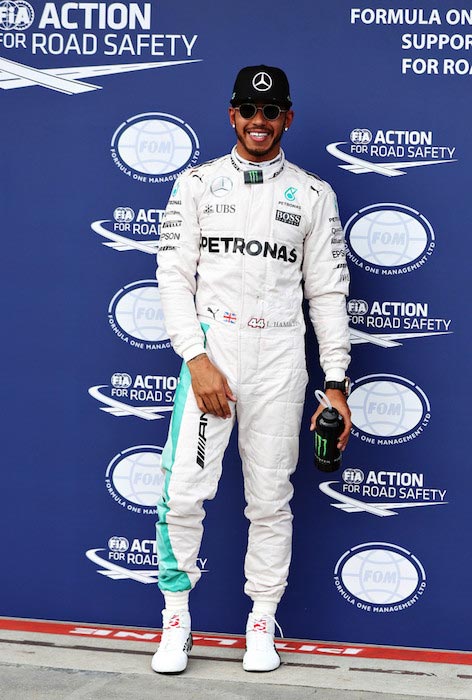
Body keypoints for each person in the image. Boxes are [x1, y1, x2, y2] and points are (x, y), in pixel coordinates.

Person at [152, 65, 351, 674]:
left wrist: (337, 384)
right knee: (183, 495)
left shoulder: (314, 194)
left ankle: (261, 623)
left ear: (286, 118)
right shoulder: (197, 184)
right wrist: (196, 358)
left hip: (282, 358)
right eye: (248, 111)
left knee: (270, 501)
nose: (258, 122)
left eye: (270, 113)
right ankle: (175, 624)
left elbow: (328, 294)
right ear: (231, 114)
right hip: (215, 354)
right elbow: (171, 276)